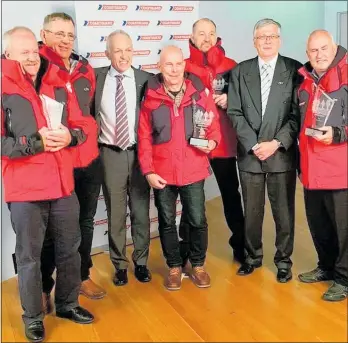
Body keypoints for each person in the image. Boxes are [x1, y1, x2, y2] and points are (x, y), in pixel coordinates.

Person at [1, 27, 96, 343]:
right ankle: (33, 317)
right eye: (23, 52)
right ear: (8, 54)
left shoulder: (52, 79)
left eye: (33, 50)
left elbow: (79, 123)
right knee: (29, 256)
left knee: (71, 248)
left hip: (62, 183)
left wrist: (73, 136)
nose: (31, 57)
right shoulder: (3, 87)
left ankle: (68, 304)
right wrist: (35, 143)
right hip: (25, 189)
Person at [138, 45, 221, 290]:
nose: (173, 70)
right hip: (162, 171)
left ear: (184, 65)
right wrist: (148, 171)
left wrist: (213, 141)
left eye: (177, 64)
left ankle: (197, 264)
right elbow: (143, 137)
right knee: (166, 221)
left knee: (197, 219)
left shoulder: (199, 93)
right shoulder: (150, 97)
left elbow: (213, 125)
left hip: (193, 168)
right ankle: (174, 266)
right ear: (160, 67)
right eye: (168, 65)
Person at [227, 18, 302, 282]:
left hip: (281, 153)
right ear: (254, 41)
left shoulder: (295, 70)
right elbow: (234, 111)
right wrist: (253, 144)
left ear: (279, 40)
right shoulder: (239, 72)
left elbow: (296, 116)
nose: (267, 40)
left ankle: (283, 261)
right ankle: (252, 257)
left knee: (283, 211)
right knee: (252, 210)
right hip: (250, 154)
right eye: (262, 36)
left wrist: (276, 143)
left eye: (272, 36)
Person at [38, 12, 106, 302]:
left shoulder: (84, 67)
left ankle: (81, 275)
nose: (65, 40)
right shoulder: (34, 67)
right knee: (52, 228)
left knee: (86, 221)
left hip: (88, 160)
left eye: (69, 34)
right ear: (44, 34)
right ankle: (42, 285)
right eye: (58, 33)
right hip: (56, 163)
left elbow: (88, 113)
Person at [179, 18, 245, 271]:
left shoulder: (232, 67)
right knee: (190, 200)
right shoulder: (182, 67)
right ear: (192, 37)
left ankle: (241, 247)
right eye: (201, 33)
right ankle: (186, 252)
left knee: (230, 196)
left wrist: (232, 99)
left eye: (211, 33)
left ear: (217, 37)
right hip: (193, 145)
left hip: (224, 143)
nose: (206, 38)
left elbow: (246, 103)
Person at [91, 30, 152, 286]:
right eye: (118, 50)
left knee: (140, 211)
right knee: (116, 213)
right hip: (110, 154)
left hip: (139, 154)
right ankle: (119, 265)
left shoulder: (146, 79)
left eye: (128, 49)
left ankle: (141, 262)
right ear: (107, 54)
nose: (124, 55)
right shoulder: (96, 78)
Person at [297, 30, 348, 301]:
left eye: (324, 48)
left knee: (344, 229)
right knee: (319, 225)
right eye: (313, 50)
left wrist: (338, 133)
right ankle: (326, 267)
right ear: (308, 54)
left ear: (335, 47)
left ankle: (345, 278)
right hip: (311, 169)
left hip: (340, 171)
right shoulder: (304, 82)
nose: (319, 55)